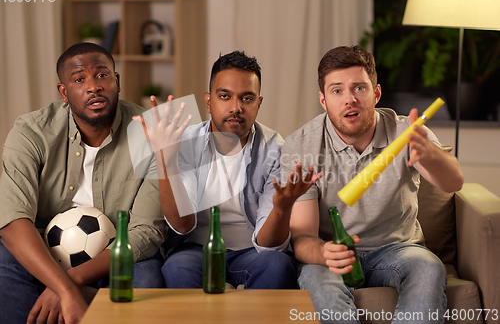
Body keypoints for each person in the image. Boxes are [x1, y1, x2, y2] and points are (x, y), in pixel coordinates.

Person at [280, 45, 464, 324]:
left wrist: (432, 156)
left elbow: (454, 182)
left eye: (359, 88)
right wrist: (322, 252)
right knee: (314, 276)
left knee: (428, 267)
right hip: (334, 254)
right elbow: (302, 237)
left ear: (376, 93)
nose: (349, 99)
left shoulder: (408, 132)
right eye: (337, 90)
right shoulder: (301, 145)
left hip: (398, 249)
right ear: (323, 99)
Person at [0, 43, 167, 324]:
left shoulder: (151, 132)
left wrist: (68, 283)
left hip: (116, 251)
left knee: (148, 277)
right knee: (3, 265)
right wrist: (65, 288)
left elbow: (146, 231)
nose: (93, 87)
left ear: (117, 81)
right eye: (79, 79)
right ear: (64, 92)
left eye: (102, 75)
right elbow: (12, 220)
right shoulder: (31, 131)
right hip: (44, 250)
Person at [135, 50, 321, 289]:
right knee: (176, 267)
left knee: (277, 265)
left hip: (251, 249)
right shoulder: (184, 143)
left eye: (247, 98)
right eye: (225, 96)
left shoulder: (276, 149)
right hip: (195, 248)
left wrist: (281, 209)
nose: (236, 107)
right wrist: (165, 160)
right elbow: (182, 225)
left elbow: (269, 245)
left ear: (258, 103)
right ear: (209, 100)